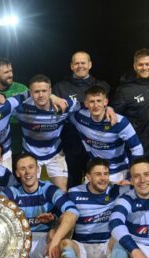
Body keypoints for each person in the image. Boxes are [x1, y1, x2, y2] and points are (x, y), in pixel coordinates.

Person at [58, 158, 133, 258]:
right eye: (98, 174)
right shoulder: (74, 193)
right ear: (88, 177)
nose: (103, 178)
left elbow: (147, 186)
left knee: (121, 238)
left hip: (107, 250)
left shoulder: (117, 190)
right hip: (82, 250)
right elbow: (62, 215)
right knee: (65, 244)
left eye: (106, 174)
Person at [1, 153, 79, 258]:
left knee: (68, 221)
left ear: (38, 169)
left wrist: (54, 235)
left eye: (31, 167)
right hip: (18, 243)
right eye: (22, 168)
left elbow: (73, 212)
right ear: (17, 173)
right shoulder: (10, 192)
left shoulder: (49, 189)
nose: (27, 172)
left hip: (46, 243)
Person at [111, 48, 149, 185]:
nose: (144, 67)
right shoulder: (124, 90)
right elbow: (115, 120)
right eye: (140, 64)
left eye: (147, 64)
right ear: (135, 66)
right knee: (136, 191)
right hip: (137, 151)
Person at [53, 51, 111, 189]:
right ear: (72, 66)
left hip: (96, 146)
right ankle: (72, 210)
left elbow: (110, 109)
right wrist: (52, 97)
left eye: (83, 63)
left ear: (90, 65)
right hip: (71, 146)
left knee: (97, 184)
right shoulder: (60, 87)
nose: (80, 66)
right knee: (73, 185)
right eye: (77, 63)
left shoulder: (102, 86)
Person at [13, 74, 80, 191]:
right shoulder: (20, 107)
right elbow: (0, 106)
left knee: (61, 191)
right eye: (36, 91)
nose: (40, 95)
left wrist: (108, 109)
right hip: (30, 154)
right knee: (31, 191)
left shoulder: (63, 105)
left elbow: (84, 105)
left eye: (44, 91)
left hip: (55, 153)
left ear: (50, 91)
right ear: (30, 92)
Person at [69, 85, 144, 183]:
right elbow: (65, 107)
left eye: (99, 101)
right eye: (92, 101)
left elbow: (137, 148)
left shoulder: (119, 122)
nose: (96, 105)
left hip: (119, 172)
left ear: (105, 102)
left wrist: (131, 177)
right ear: (86, 104)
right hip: (95, 170)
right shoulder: (79, 118)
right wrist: (53, 97)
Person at [0, 57, 29, 155]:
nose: (11, 75)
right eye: (6, 72)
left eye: (11, 71)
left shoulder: (22, 88)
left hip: (20, 137)